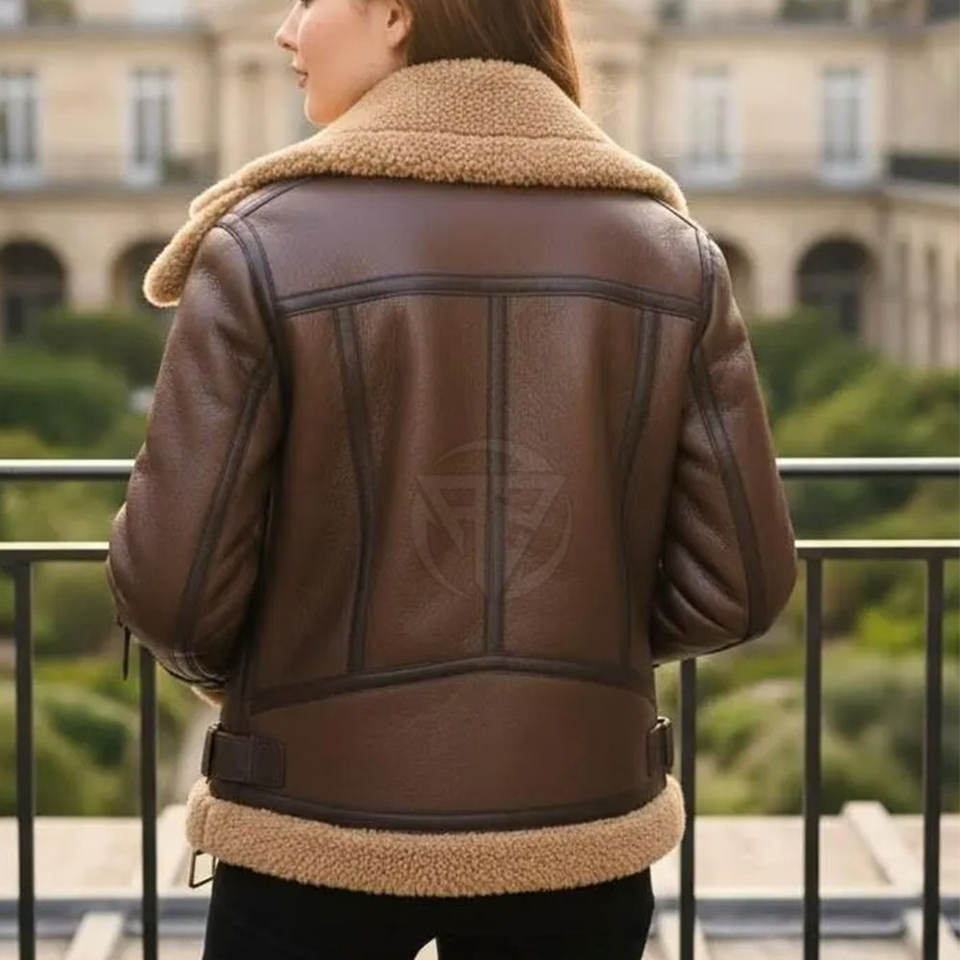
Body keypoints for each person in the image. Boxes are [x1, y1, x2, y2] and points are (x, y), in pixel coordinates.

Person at [103, 0, 798, 957]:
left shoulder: (260, 245)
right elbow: (742, 585)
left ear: (396, 14)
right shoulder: (671, 254)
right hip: (577, 826)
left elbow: (171, 593)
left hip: (314, 825)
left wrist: (287, 675)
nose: (284, 30)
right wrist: (571, 649)